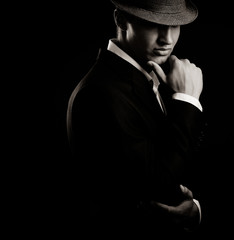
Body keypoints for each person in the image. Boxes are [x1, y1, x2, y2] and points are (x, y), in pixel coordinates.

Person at [66, 0, 206, 238]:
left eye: (175, 25)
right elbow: (155, 187)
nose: (167, 39)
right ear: (120, 20)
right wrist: (187, 101)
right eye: (153, 24)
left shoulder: (152, 75)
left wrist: (195, 210)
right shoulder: (100, 92)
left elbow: (177, 163)